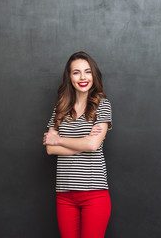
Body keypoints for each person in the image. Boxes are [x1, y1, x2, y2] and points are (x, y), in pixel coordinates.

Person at [43, 51, 113, 238]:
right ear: (70, 77)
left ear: (93, 75)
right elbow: (50, 149)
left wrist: (59, 140)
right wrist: (80, 142)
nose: (83, 77)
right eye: (76, 72)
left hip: (94, 194)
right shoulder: (60, 109)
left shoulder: (102, 105)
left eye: (87, 71)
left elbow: (92, 145)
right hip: (64, 195)